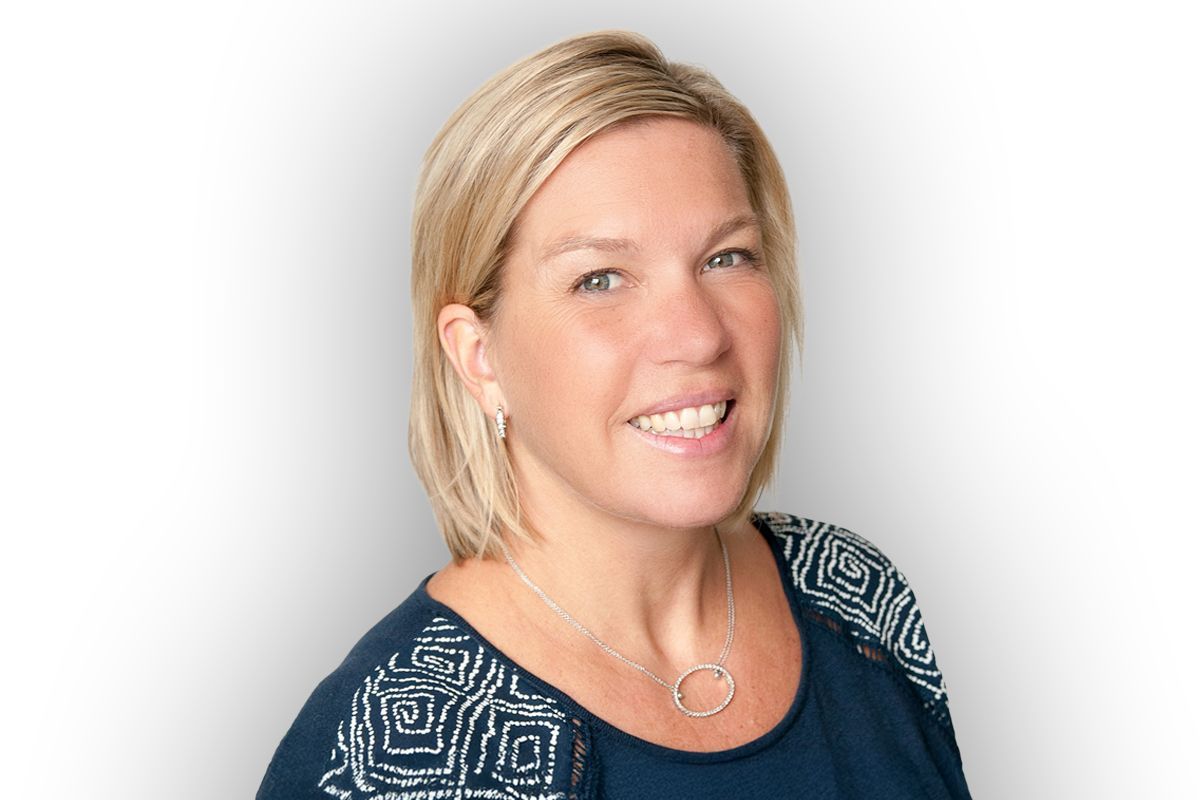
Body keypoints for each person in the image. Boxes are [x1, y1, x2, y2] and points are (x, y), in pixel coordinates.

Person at [257, 30, 971, 799]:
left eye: (726, 257)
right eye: (600, 278)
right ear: (478, 356)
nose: (698, 334)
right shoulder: (386, 759)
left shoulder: (856, 601)